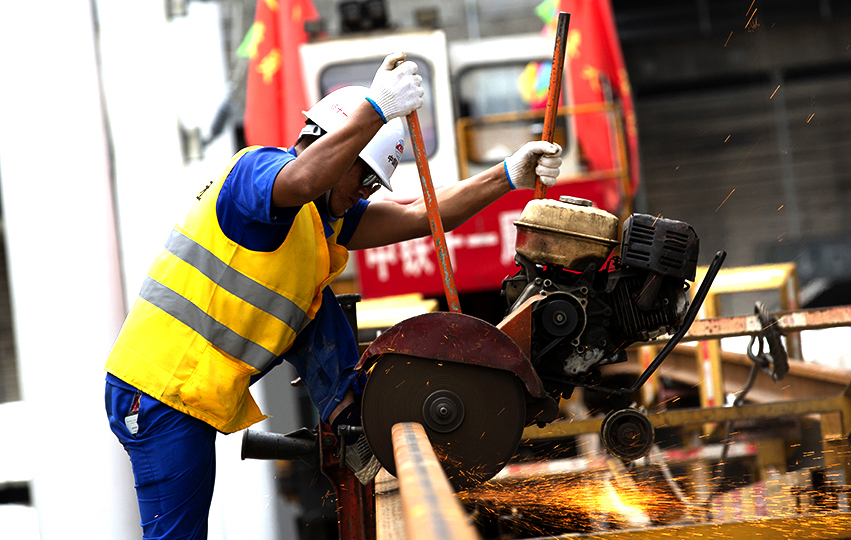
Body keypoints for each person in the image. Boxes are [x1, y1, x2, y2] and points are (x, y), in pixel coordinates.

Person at [104, 52, 562, 540]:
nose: (363, 192)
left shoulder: (326, 219)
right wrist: (376, 109)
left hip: (184, 391)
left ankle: (355, 424)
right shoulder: (256, 175)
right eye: (361, 177)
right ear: (328, 146)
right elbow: (302, 178)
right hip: (156, 391)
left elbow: (421, 214)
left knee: (316, 303)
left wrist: (507, 174)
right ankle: (357, 424)